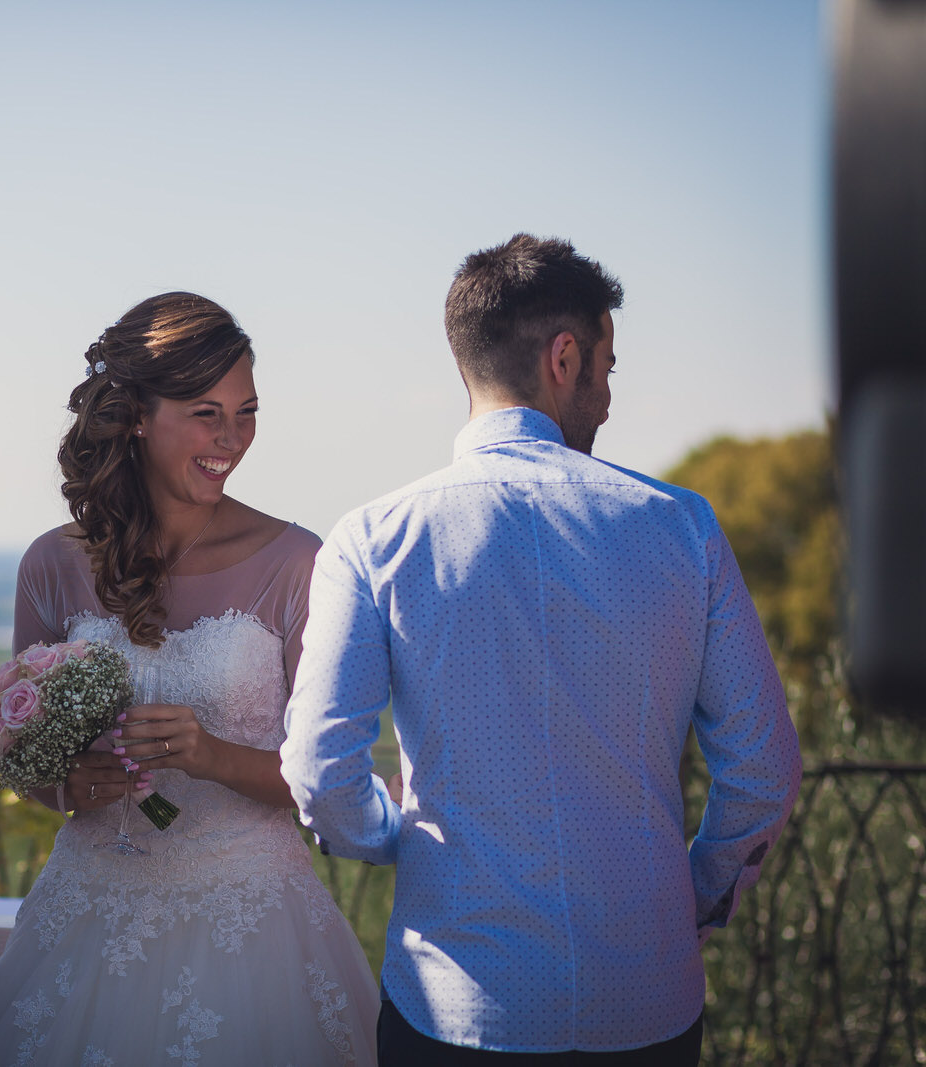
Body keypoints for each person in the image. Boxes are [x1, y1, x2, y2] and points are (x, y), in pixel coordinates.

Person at [280, 233, 804, 1064]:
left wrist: (390, 834)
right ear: (566, 357)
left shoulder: (372, 538)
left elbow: (317, 768)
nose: (607, 396)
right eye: (608, 365)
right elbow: (764, 767)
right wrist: (693, 893)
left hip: (455, 1004)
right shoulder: (683, 526)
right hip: (648, 1001)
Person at [0, 292, 378, 1065]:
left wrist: (211, 753)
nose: (232, 438)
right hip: (86, 912)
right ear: (136, 416)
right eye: (205, 412)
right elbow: (19, 757)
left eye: (246, 412)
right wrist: (69, 785)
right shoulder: (51, 563)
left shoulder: (298, 563)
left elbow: (329, 775)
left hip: (255, 931)